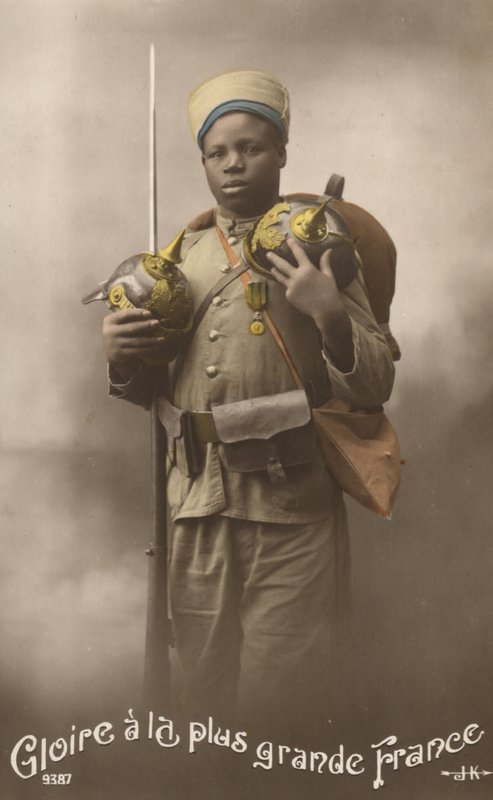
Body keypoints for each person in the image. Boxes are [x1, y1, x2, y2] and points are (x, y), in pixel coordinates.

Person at [102, 69, 395, 739]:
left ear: (282, 151)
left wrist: (329, 315)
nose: (233, 163)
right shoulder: (179, 258)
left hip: (290, 502)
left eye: (251, 147)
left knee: (281, 698)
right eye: (217, 152)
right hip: (196, 504)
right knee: (200, 693)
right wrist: (120, 356)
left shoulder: (318, 241)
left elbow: (374, 381)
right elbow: (154, 389)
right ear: (204, 161)